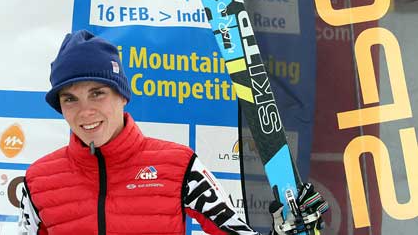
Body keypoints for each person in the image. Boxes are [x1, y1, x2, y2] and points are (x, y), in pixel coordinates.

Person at [18, 30, 328, 235]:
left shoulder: (178, 166)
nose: (84, 111)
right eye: (69, 99)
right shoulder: (38, 180)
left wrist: (284, 231)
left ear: (122, 96)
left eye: (97, 93)